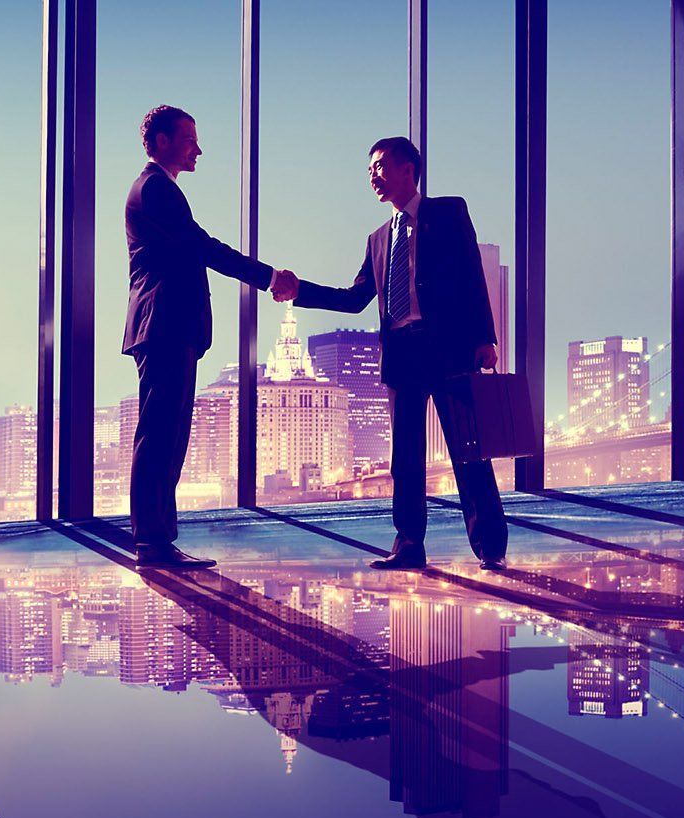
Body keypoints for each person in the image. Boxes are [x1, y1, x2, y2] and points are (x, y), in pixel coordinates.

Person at [278, 137, 507, 571]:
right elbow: (354, 298)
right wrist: (299, 291)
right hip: (402, 355)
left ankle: (490, 545)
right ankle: (409, 546)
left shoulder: (449, 212)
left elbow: (473, 276)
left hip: (450, 349)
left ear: (408, 170)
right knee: (404, 456)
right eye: (369, 171)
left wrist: (485, 337)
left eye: (380, 166)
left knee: (468, 450)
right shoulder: (378, 238)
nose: (373, 177)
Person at [124, 105, 297, 568]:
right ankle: (151, 542)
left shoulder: (160, 189)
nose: (198, 149)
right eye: (189, 139)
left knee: (169, 433)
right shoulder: (156, 189)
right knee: (160, 435)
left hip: (169, 328)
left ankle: (158, 539)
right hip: (163, 327)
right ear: (161, 141)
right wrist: (268, 277)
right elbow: (203, 248)